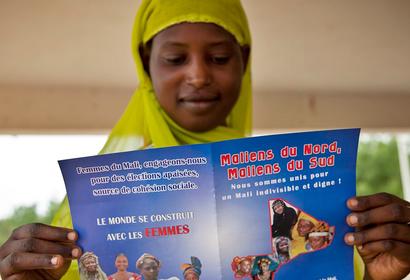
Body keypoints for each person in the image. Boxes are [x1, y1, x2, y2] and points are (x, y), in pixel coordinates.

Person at [0, 0, 409, 280]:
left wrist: (377, 276)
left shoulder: (301, 191)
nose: (198, 76)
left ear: (244, 62)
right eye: (176, 59)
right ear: (146, 66)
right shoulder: (92, 205)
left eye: (218, 57)